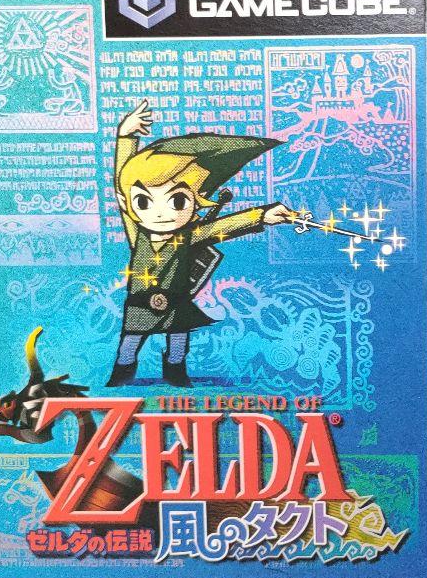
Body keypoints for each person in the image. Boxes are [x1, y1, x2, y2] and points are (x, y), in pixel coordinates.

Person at [107, 100, 292, 387]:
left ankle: (176, 375)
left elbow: (223, 226)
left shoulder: (187, 236)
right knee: (128, 349)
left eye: (177, 200)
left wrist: (262, 215)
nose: (160, 213)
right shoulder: (137, 232)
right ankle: (121, 379)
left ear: (196, 201)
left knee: (178, 348)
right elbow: (123, 182)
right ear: (128, 203)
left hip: (177, 304)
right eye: (144, 201)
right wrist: (126, 137)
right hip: (140, 305)